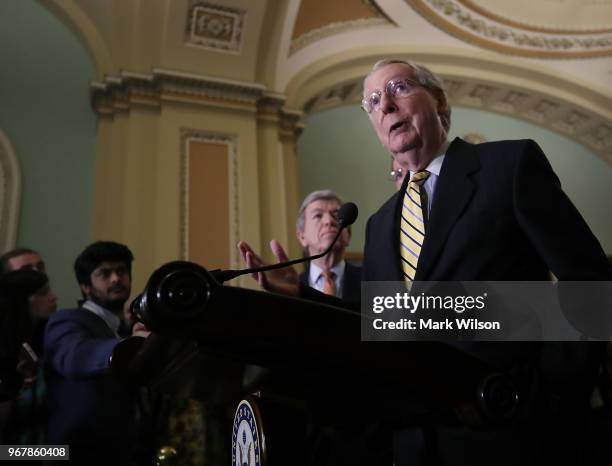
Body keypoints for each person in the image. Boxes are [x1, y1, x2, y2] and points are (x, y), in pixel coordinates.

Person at [238, 59, 612, 465]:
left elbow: (589, 281)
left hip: (514, 434)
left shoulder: (508, 166)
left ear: (437, 100)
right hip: (415, 443)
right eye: (373, 101)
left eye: (398, 88)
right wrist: (301, 294)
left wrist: (554, 393)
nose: (385, 106)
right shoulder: (380, 225)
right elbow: (377, 324)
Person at [43, 241, 151, 465]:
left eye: (121, 271)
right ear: (86, 286)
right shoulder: (67, 320)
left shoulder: (125, 330)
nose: (115, 279)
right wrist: (131, 343)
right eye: (104, 273)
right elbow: (75, 357)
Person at [0, 269, 56, 445]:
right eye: (43, 293)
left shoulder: (44, 340)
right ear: (23, 301)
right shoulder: (7, 352)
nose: (54, 297)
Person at [296, 190, 361, 304]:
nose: (329, 221)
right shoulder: (292, 289)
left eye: (336, 215)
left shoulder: (371, 281)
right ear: (302, 237)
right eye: (318, 215)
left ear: (348, 235)